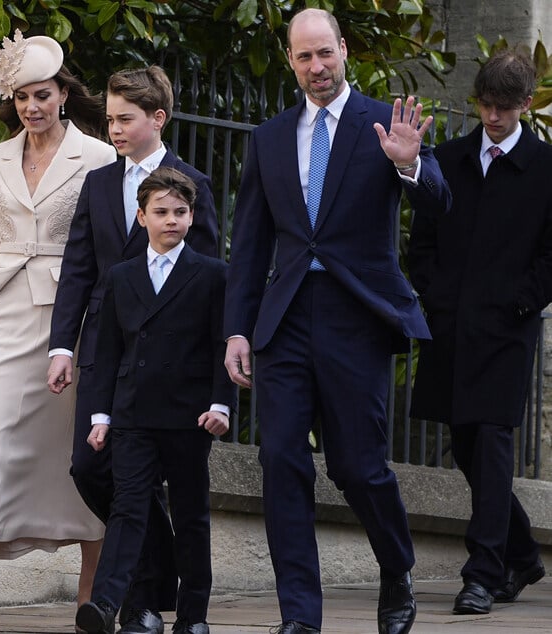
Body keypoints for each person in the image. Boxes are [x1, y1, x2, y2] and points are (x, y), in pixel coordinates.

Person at [223, 8, 451, 634]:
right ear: (290, 61)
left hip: (357, 317)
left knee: (357, 465)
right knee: (280, 458)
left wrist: (410, 164)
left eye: (325, 54)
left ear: (344, 50)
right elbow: (249, 245)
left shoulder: (383, 120)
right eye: (304, 57)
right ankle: (301, 614)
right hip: (286, 319)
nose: (317, 68)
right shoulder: (268, 138)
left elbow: (439, 197)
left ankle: (396, 567)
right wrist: (237, 329)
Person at [0, 30, 114, 634]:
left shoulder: (100, 157)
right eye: (21, 97)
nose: (31, 107)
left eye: (42, 95)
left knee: (82, 450)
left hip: (76, 318)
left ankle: (92, 590)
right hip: (8, 314)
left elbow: (108, 248)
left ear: (64, 94)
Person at [48, 65, 219, 634]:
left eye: (124, 119)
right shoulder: (98, 182)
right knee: (89, 469)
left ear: (157, 119)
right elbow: (78, 269)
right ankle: (156, 568)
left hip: (170, 376)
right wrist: (61, 346)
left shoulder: (192, 186)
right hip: (105, 352)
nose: (113, 130)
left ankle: (143, 604)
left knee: (134, 489)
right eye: (110, 119)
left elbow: (208, 285)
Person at [408, 49, 552, 616]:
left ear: (524, 105)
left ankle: (483, 573)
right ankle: (522, 554)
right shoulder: (448, 156)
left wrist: (519, 304)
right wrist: (436, 297)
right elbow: (422, 238)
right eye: (484, 106)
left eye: (503, 108)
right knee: (465, 446)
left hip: (507, 331)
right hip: (450, 327)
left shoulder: (546, 168)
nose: (491, 117)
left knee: (492, 445)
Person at [75, 167, 231, 634]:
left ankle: (193, 615)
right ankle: (110, 605)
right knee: (129, 507)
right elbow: (106, 351)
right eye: (160, 212)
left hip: (190, 415)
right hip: (133, 413)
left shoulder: (213, 274)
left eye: (180, 212)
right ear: (141, 217)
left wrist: (221, 405)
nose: (171, 220)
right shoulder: (121, 277)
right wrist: (101, 415)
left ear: (192, 216)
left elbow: (225, 344)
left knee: (189, 514)